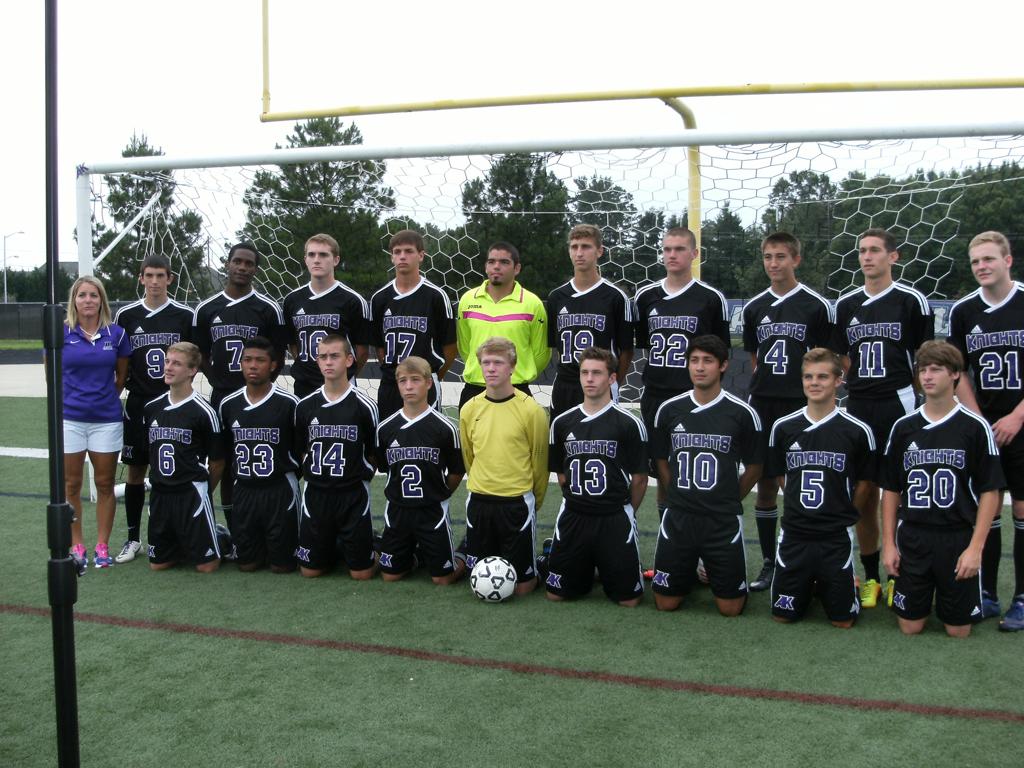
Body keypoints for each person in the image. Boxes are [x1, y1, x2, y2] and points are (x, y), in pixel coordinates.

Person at [831, 228, 933, 608]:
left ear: (894, 257)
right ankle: (872, 576)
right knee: (864, 491)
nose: (867, 257)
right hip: (859, 405)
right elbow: (842, 356)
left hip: (898, 402)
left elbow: (926, 359)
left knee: (904, 492)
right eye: (862, 251)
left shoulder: (912, 301)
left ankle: (903, 576)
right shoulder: (846, 304)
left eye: (875, 250)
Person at [880, 341, 1003, 637]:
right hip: (914, 534)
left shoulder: (974, 427)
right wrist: (889, 544)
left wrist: (975, 548)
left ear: (956, 375)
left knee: (958, 630)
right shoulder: (904, 427)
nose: (928, 376)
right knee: (910, 626)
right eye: (923, 370)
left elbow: (990, 490)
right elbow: (891, 490)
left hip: (956, 535)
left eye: (936, 369)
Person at [742, 232, 834, 591]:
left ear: (796, 259)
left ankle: (804, 559)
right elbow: (755, 359)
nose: (773, 263)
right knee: (765, 483)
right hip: (764, 402)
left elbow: (825, 362)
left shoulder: (816, 306)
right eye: (767, 257)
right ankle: (769, 563)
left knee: (800, 484)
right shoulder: (754, 307)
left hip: (801, 405)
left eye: (780, 256)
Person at [650, 334, 763, 616]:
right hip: (680, 516)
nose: (699, 367)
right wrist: (673, 488)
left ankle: (704, 566)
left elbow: (755, 466)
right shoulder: (669, 409)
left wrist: (730, 497)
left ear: (723, 366)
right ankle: (688, 569)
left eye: (708, 361)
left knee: (731, 609)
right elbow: (660, 458)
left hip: (721, 519)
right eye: (694, 360)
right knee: (666, 603)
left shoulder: (742, 413)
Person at [766, 348, 876, 628]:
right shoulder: (784, 427)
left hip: (834, 535)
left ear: (838, 381)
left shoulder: (856, 430)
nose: (814, 382)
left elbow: (865, 482)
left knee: (842, 621)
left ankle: (842, 583)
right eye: (808, 377)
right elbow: (780, 474)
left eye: (823, 377)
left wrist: (848, 511)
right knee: (782, 615)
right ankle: (810, 583)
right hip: (795, 533)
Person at [947, 231, 1024, 630]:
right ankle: (989, 593)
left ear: (1007, 261)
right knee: (988, 508)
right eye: (976, 261)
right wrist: (979, 420)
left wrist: (1017, 416)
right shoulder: (963, 311)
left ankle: (1023, 598)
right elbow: (956, 372)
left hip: (1022, 423)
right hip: (987, 425)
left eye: (989, 259)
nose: (982, 266)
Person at [635, 227, 730, 523]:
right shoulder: (645, 297)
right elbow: (642, 345)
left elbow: (720, 352)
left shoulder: (711, 298)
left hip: (693, 397)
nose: (672, 255)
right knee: (662, 472)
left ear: (694, 254)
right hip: (656, 396)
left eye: (678, 249)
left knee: (697, 468)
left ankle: (701, 538)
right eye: (666, 249)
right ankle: (669, 541)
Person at [193, 242, 286, 530]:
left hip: (258, 398)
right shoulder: (207, 308)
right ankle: (233, 530)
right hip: (221, 396)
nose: (243, 267)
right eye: (238, 262)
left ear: (256, 269)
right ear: (228, 264)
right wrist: (217, 381)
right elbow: (200, 355)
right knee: (223, 463)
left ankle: (267, 524)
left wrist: (260, 387)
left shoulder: (268, 309)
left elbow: (278, 357)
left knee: (257, 462)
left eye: (249, 263)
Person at [546, 347, 647, 606]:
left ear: (612, 378)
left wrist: (626, 512)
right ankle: (584, 563)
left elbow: (639, 479)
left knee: (629, 601)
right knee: (556, 594)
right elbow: (561, 473)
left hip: (613, 516)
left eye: (597, 373)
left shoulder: (628, 423)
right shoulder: (562, 422)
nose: (589, 379)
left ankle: (601, 561)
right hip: (574, 515)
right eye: (585, 373)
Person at [112, 254, 194, 563]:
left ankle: (179, 532)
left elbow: (193, 359)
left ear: (170, 279)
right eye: (150, 275)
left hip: (174, 404)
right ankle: (133, 538)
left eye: (161, 275)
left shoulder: (184, 315)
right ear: (141, 278)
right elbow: (120, 364)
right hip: (139, 403)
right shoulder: (127, 316)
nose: (156, 281)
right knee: (136, 470)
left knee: (175, 469)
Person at [459, 337, 549, 594]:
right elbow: (469, 456)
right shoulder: (469, 409)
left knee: (523, 588)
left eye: (498, 362)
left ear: (512, 366)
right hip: (479, 500)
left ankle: (545, 560)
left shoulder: (531, 410)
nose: (491, 368)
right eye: (486, 362)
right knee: (476, 579)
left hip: (515, 502)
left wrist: (534, 500)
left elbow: (540, 462)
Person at [60, 275, 132, 573]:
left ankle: (102, 545)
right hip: (70, 420)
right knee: (71, 485)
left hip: (106, 420)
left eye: (93, 295)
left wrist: (101, 401)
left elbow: (121, 378)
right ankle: (77, 544)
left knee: (104, 484)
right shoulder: (61, 332)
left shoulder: (116, 334)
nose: (88, 300)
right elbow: (53, 378)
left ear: (101, 300)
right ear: (74, 300)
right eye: (82, 295)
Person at [293, 334, 379, 579]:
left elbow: (373, 454)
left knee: (361, 575)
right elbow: (302, 449)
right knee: (310, 571)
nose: (328, 362)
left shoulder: (365, 405)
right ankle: (334, 548)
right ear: (317, 361)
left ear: (349, 360)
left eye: (334, 356)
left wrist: (357, 476)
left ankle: (376, 550)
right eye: (323, 357)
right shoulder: (306, 405)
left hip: (352, 493)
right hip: (317, 493)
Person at [375, 356, 465, 584]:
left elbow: (456, 471)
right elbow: (386, 468)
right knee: (389, 576)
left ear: (428, 383)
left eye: (415, 380)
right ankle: (414, 556)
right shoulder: (385, 428)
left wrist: (441, 494)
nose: (408, 386)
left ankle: (465, 554)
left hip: (431, 511)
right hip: (398, 511)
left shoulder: (445, 428)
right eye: (403, 381)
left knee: (442, 579)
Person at [218, 337, 301, 573]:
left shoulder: (290, 404)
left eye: (260, 360)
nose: (253, 365)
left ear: (273, 365)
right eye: (248, 360)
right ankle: (223, 537)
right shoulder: (228, 404)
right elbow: (226, 452)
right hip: (244, 490)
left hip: (280, 490)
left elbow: (301, 450)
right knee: (247, 565)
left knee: (283, 567)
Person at [144, 342, 225, 573]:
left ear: (192, 371)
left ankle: (220, 538)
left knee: (206, 567)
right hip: (161, 494)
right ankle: (182, 540)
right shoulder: (152, 408)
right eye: (167, 361)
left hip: (191, 492)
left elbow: (218, 461)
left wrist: (204, 492)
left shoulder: (204, 412)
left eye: (176, 364)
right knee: (158, 565)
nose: (168, 367)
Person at [546, 224, 635, 420]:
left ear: (599, 251)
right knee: (563, 444)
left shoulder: (616, 298)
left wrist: (612, 384)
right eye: (574, 246)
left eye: (586, 246)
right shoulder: (556, 298)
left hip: (601, 385)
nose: (579, 253)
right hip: (565, 386)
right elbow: (555, 347)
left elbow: (626, 350)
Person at [370, 229, 456, 421]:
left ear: (421, 256)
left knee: (426, 441)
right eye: (397, 252)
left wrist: (429, 377)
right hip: (391, 384)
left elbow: (450, 347)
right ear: (391, 257)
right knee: (388, 440)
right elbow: (379, 346)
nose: (402, 256)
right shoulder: (379, 298)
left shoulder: (436, 297)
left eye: (408, 251)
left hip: (424, 384)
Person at [456, 242, 549, 408]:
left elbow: (541, 353)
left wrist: (516, 373)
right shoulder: (467, 300)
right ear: (485, 267)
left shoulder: (532, 304)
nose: (496, 267)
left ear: (517, 268)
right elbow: (465, 347)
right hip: (474, 389)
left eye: (504, 262)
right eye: (491, 262)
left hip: (516, 390)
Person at [283, 233, 371, 398]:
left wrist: (342, 376)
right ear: (305, 259)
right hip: (304, 386)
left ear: (336, 260)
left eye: (323, 254)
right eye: (312, 254)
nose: (317, 259)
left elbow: (362, 351)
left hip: (341, 387)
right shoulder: (292, 300)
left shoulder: (352, 300)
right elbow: (293, 345)